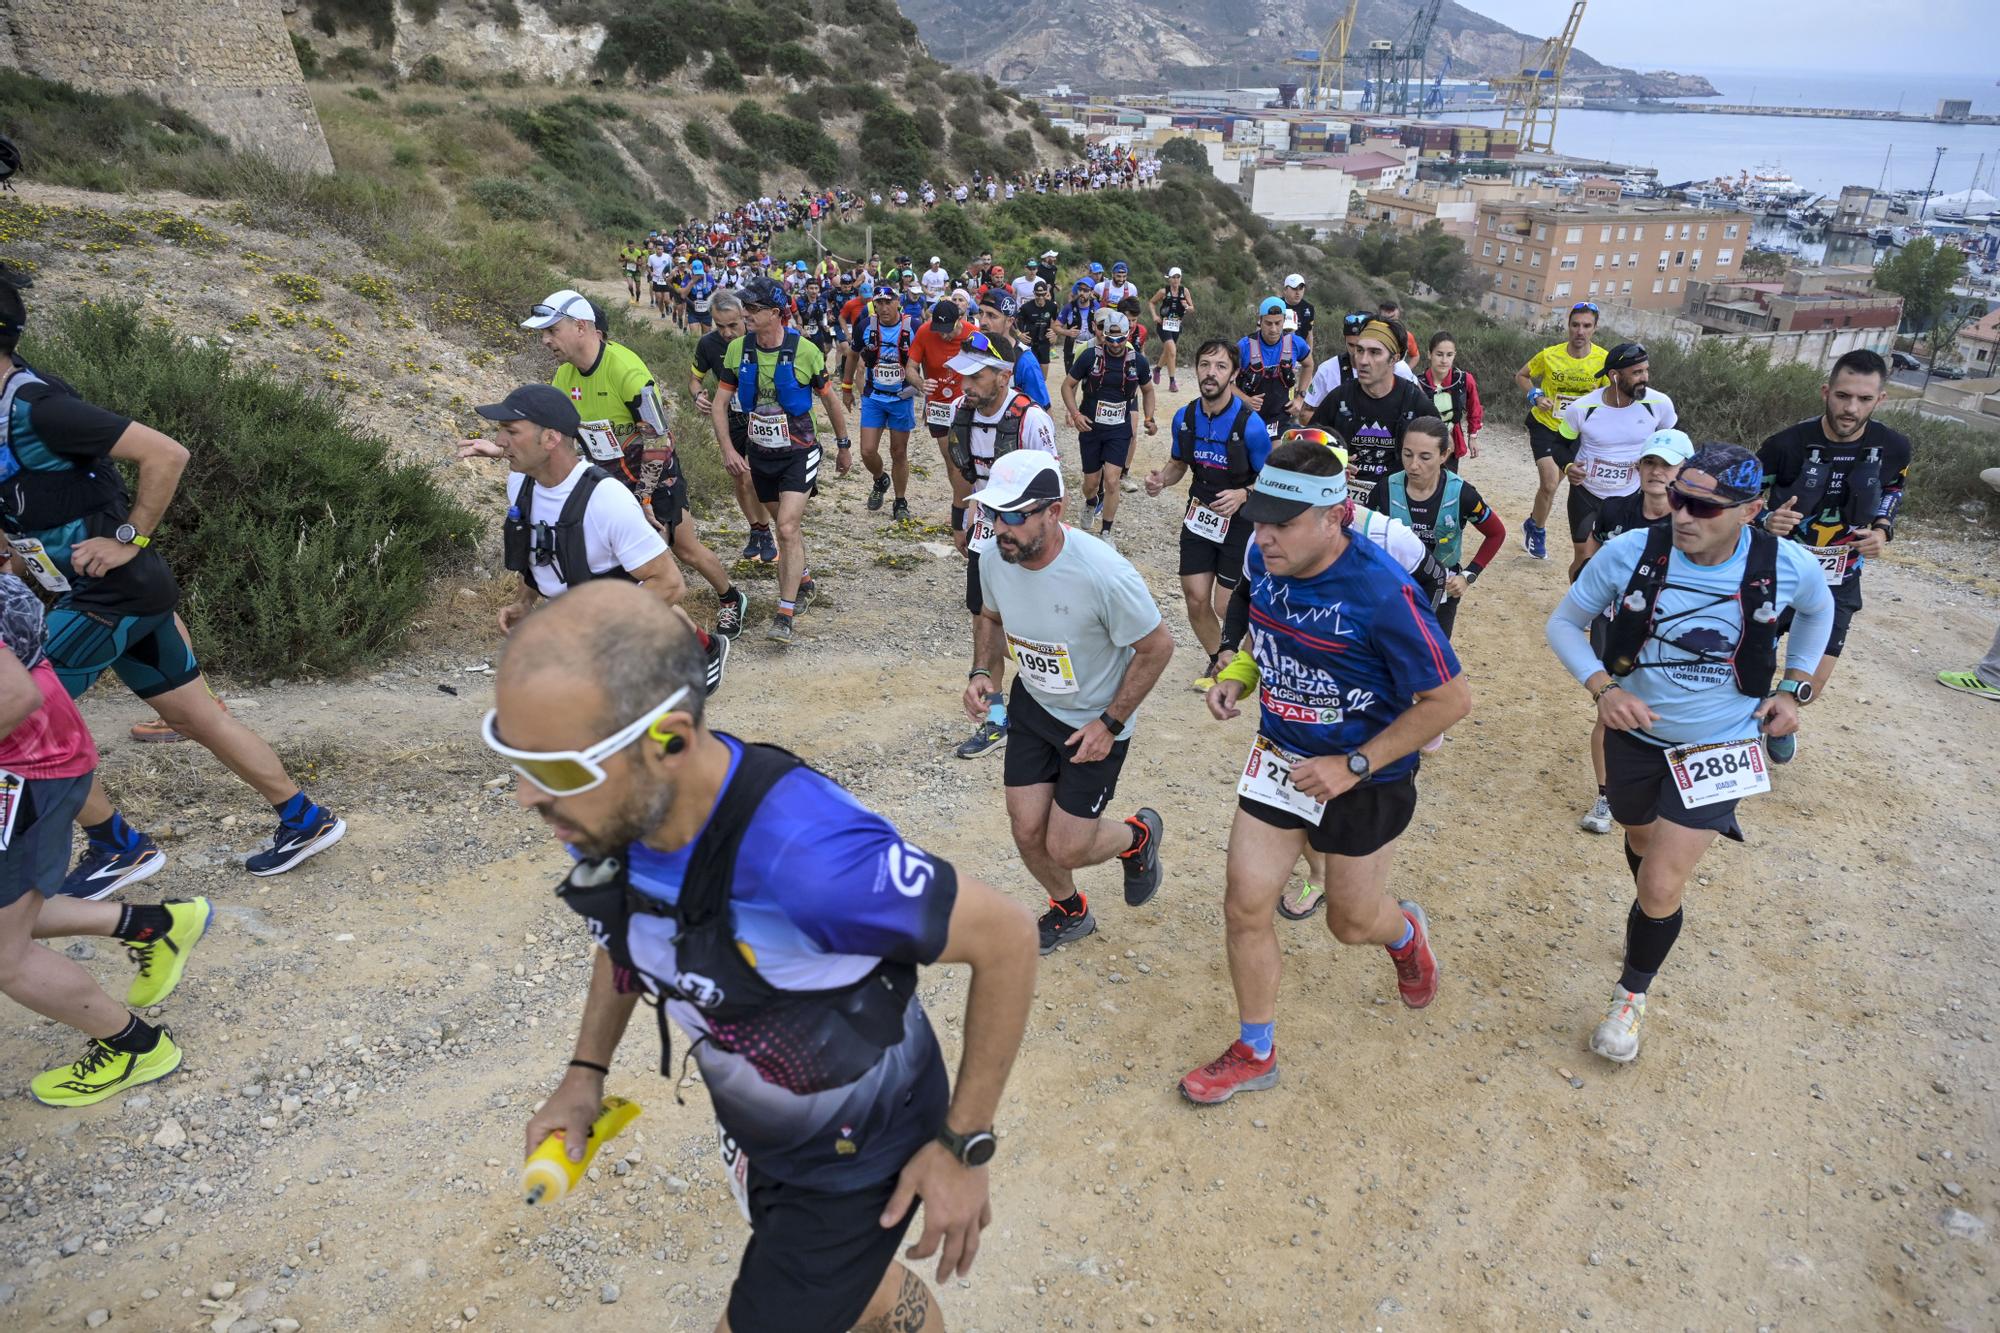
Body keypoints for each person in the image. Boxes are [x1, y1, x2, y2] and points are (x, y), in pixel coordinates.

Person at [500, 582, 1036, 1333]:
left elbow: (1008, 936)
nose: (526, 795)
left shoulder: (809, 862)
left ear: (671, 740)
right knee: (856, 1290)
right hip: (765, 1127)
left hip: (854, 1161)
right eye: (513, 756)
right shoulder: (626, 812)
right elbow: (629, 932)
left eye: (557, 770)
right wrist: (584, 1074)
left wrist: (963, 1146)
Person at [0, 274, 346, 895]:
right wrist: (18, 561)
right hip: (124, 594)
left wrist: (128, 536)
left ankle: (118, 848)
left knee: (25, 717)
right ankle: (304, 819)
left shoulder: (41, 408)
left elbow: (167, 453)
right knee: (195, 715)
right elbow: (39, 502)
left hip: (110, 595)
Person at [1181, 438, 1468, 1105]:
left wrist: (1354, 763)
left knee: (1350, 922)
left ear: (1334, 515)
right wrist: (1239, 671)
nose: (1264, 534)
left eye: (1283, 521)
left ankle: (1405, 934)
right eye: (1260, 516)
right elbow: (1260, 623)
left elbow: (1451, 700)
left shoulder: (1382, 592)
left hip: (1366, 776)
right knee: (1245, 901)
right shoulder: (1263, 555)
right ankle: (1256, 1049)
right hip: (1280, 756)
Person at [1546, 444, 1831, 1065]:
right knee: (1639, 837)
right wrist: (1604, 689)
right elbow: (1564, 624)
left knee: (1659, 879)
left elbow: (1819, 611)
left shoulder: (1786, 564)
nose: (1682, 513)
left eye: (1703, 505)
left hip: (1722, 741)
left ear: (1751, 511)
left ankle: (1630, 998)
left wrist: (1794, 687)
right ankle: (1652, 911)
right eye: (1677, 495)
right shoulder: (1630, 553)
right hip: (1636, 737)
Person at [0, 562, 211, 1106]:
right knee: (10, 910)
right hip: (43, 758)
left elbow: (12, 695)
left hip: (27, 768)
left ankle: (135, 1046)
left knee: (4, 953)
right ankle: (154, 925)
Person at [965, 451, 1173, 953]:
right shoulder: (995, 556)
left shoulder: (1104, 573)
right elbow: (990, 618)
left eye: (1014, 515)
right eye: (995, 513)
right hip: (1034, 705)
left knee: (1068, 845)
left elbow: (1158, 647)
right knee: (1025, 825)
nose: (1001, 527)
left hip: (1094, 721)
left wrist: (1110, 722)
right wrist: (981, 673)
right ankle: (1069, 908)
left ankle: (1137, 838)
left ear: (1053, 512)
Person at [510, 290, 748, 638]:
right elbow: (560, 438)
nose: (545, 340)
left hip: (652, 479)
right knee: (626, 570)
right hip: (605, 483)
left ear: (580, 327)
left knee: (684, 550)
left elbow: (659, 438)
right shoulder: (563, 377)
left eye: (551, 331)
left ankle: (730, 599)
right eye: (542, 333)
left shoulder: (626, 370)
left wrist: (643, 497)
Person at [458, 382, 728, 688]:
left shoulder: (606, 500)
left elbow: (669, 584)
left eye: (511, 431)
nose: (499, 441)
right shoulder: (520, 484)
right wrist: (524, 602)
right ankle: (704, 647)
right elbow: (537, 553)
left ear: (550, 438)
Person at [1756, 348, 1912, 721]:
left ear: (1881, 399)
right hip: (1778, 573)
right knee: (1751, 671)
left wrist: (1882, 529)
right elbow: (1739, 496)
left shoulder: (1895, 447)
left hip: (1839, 579)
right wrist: (1764, 519)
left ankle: (1783, 714)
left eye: (1864, 399)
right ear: (1826, 392)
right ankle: (1753, 727)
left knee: (1808, 688)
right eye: (1843, 396)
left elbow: (1893, 489)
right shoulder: (1784, 445)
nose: (1851, 409)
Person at [709, 277, 853, 645]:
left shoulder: (805, 351)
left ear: (775, 313)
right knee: (781, 525)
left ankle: (784, 615)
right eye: (746, 308)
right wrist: (728, 449)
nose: (746, 314)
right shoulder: (738, 350)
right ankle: (803, 580)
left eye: (753, 309)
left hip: (799, 452)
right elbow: (720, 404)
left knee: (787, 528)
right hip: (760, 453)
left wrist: (843, 444)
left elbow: (830, 401)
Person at [1570, 428, 1695, 835]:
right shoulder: (1614, 510)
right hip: (1615, 625)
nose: (1657, 472)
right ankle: (1607, 794)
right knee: (1612, 710)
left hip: (1676, 633)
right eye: (1651, 463)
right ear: (1638, 467)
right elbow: (1584, 566)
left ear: (1685, 472)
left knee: (1674, 707)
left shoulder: (1696, 522)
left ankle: (1671, 791)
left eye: (1668, 465)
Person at [946, 335, 1062, 761]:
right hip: (985, 535)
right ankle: (997, 718)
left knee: (1045, 629)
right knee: (984, 623)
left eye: (976, 376)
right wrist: (961, 519)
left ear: (1002, 374)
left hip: (1032, 543)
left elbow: (1052, 493)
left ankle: (1058, 708)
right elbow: (964, 473)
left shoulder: (1031, 420)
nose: (967, 386)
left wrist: (1047, 550)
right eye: (963, 376)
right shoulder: (963, 413)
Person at [1145, 340, 1272, 688]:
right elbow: (1179, 464)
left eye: (1219, 366)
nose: (1210, 373)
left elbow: (1272, 479)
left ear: (1233, 374)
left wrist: (1243, 493)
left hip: (1241, 521)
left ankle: (1257, 650)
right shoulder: (1185, 417)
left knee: (1224, 604)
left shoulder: (1251, 425)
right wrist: (1161, 481)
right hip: (1200, 512)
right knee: (1195, 596)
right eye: (1204, 365)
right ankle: (1220, 661)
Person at [1557, 342, 1677, 581]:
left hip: (1631, 497)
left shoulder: (1659, 404)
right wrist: (1569, 467)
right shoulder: (1583, 408)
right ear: (1614, 376)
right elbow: (1558, 446)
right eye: (1637, 373)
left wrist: (1650, 462)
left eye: (1646, 370)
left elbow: (1673, 442)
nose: (1645, 378)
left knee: (1626, 558)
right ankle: (1580, 610)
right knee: (1585, 560)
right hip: (1587, 495)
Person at [1382, 419, 1506, 640]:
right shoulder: (1385, 490)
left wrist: (1468, 575)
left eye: (1425, 457)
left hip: (1442, 593)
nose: (1413, 465)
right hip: (1392, 591)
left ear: (1444, 455)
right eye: (1407, 454)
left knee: (1433, 662)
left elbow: (1496, 533)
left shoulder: (1462, 494)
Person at [1305, 319, 1432, 511]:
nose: (1362, 360)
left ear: (1394, 359)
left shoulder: (1413, 399)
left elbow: (1441, 449)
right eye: (1359, 350)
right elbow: (1308, 444)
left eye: (1375, 352)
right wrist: (1332, 460)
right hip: (1341, 503)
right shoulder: (1340, 397)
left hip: (1395, 505)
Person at [1514, 302, 1608, 560]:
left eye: (1586, 326)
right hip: (1546, 425)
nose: (1580, 331)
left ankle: (1532, 521)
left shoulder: (1603, 359)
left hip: (1578, 433)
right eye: (1575, 325)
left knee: (1552, 485)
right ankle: (1538, 532)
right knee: (1550, 482)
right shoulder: (1550, 355)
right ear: (1568, 326)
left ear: (1594, 329)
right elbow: (1522, 375)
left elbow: (1611, 392)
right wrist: (1535, 395)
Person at [690, 291, 776, 566]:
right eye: (720, 326)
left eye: (732, 325)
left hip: (763, 417)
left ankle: (764, 532)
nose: (726, 332)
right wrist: (698, 395)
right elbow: (694, 379)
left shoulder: (760, 339)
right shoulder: (707, 344)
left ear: (744, 317)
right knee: (739, 478)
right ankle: (756, 529)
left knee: (754, 477)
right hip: (732, 418)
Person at [1060, 310, 1156, 546]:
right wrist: (1075, 414)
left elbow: (1148, 390)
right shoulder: (1090, 356)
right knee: (1091, 483)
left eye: (1120, 339)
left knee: (1112, 481)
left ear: (1127, 335)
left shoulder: (1137, 361)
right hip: (1091, 427)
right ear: (1103, 334)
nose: (1114, 344)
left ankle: (1106, 531)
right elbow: (1067, 386)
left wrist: (1149, 418)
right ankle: (1091, 502)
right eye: (1110, 339)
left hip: (1118, 429)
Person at [852, 286, 922, 526]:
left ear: (898, 302)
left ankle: (900, 501)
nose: (883, 308)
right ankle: (880, 479)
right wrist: (846, 387)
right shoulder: (865, 327)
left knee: (899, 452)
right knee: (867, 451)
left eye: (887, 302)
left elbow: (927, 356)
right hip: (873, 396)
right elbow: (852, 356)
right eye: (878, 303)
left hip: (901, 398)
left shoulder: (912, 327)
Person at [908, 299, 976, 523]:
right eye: (940, 330)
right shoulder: (925, 332)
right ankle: (962, 507)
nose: (944, 336)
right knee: (952, 461)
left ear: (960, 320)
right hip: (939, 405)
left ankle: (968, 510)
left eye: (948, 331)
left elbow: (991, 364)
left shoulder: (973, 334)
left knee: (971, 458)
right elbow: (910, 368)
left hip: (967, 404)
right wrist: (920, 383)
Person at [1235, 297, 1313, 437]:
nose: (1273, 329)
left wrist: (1300, 398)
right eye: (1268, 323)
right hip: (1248, 415)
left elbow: (1309, 365)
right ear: (1260, 320)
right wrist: (1246, 399)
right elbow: (1226, 382)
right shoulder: (1244, 346)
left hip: (1280, 416)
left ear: (1284, 320)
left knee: (1276, 456)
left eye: (1278, 323)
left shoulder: (1296, 344)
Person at [974, 290, 1050, 410]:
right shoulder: (975, 347)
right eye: (981, 313)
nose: (982, 321)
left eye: (991, 316)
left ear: (1009, 321)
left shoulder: (1025, 362)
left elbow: (1042, 411)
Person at [1420, 331, 1483, 466]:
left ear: (1455, 355)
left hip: (1452, 444)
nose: (1444, 360)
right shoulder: (1417, 383)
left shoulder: (1464, 380)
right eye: (1439, 354)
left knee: (1447, 484)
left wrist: (1472, 437)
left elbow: (1475, 408)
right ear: (1429, 354)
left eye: (1449, 355)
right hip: (1423, 442)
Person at [1148, 267, 1195, 393]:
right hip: (1163, 325)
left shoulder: (1184, 291)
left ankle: (1157, 369)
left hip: (1176, 326)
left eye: (1178, 277)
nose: (1175, 280)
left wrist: (1187, 306)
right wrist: (1154, 316)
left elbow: (1192, 309)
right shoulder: (1163, 292)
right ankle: (1172, 382)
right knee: (1173, 351)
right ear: (1169, 279)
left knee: (1168, 351)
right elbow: (1151, 302)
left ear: (1180, 278)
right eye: (1173, 277)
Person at [1377, 298, 1420, 368]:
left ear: (1398, 316)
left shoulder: (1406, 336)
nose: (1389, 323)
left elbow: (1415, 356)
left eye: (1392, 319)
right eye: (1385, 319)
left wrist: (1405, 371)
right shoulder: (1372, 333)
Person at [1282, 274, 1316, 356]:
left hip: (1300, 351)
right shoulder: (1277, 305)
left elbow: (1309, 333)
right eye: (1294, 289)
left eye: (1301, 288)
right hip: (1279, 350)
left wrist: (1309, 354)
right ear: (1285, 290)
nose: (1298, 292)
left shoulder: (1309, 308)